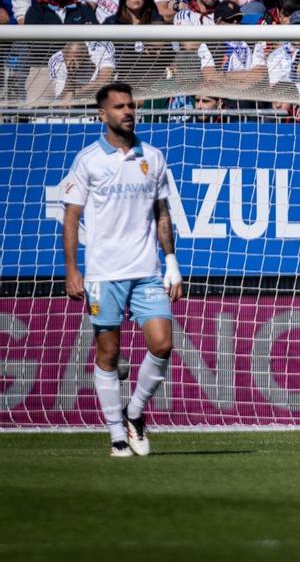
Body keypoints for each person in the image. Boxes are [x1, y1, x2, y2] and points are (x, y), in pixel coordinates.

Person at [61, 82, 183, 457]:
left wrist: (172, 262)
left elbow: (162, 212)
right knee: (108, 354)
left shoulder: (154, 157)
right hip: (103, 272)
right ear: (103, 115)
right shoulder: (88, 160)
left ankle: (134, 413)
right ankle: (116, 433)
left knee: (163, 343)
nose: (128, 111)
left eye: (130, 105)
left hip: (146, 269)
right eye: (119, 107)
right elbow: (71, 218)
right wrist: (72, 270)